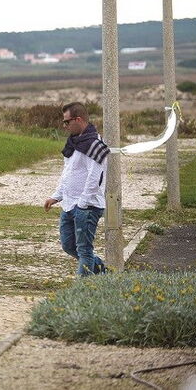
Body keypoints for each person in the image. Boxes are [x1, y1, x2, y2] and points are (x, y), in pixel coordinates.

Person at [44, 102, 110, 276]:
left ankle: (82, 291)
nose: (64, 126)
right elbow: (68, 173)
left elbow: (95, 177)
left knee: (84, 250)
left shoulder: (94, 144)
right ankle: (100, 268)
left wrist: (83, 203)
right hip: (69, 204)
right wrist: (56, 197)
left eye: (67, 122)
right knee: (68, 245)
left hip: (86, 207)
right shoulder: (73, 143)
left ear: (78, 119)